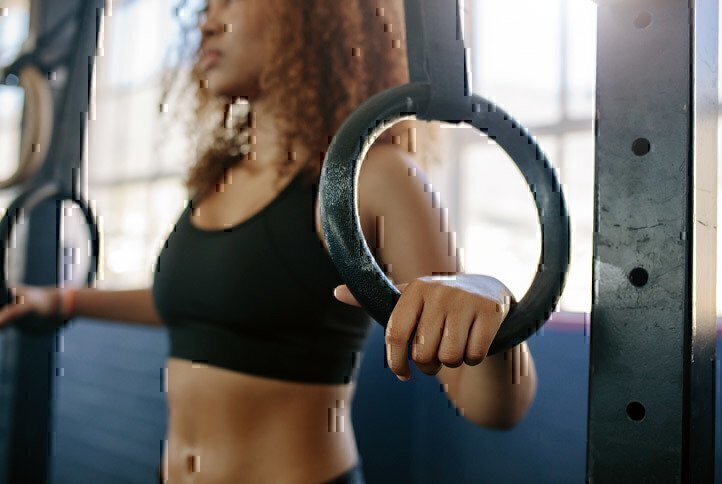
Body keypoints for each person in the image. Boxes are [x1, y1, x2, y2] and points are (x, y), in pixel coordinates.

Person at [0, 0, 538, 482]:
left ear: (314, 14)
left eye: (228, 0)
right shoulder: (220, 178)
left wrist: (489, 307)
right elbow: (198, 304)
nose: (207, 22)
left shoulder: (374, 177)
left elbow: (492, 406)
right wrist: (62, 300)